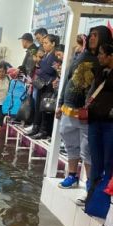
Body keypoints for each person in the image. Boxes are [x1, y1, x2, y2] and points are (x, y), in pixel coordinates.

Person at [55, 26, 111, 190]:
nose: (92, 38)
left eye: (96, 35)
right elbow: (68, 78)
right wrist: (60, 104)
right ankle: (72, 175)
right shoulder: (81, 56)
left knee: (87, 148)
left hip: (88, 113)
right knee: (69, 141)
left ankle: (90, 183)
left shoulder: (105, 61)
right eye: (91, 35)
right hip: (68, 108)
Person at [86, 42, 113, 195]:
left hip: (110, 124)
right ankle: (92, 195)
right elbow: (91, 92)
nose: (99, 57)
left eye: (102, 54)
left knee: (109, 161)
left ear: (111, 56)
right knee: (95, 160)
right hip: (94, 121)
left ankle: (105, 197)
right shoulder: (100, 71)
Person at [27, 34, 60, 139]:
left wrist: (40, 62)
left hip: (49, 86)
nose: (44, 45)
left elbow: (50, 70)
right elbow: (42, 70)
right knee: (39, 108)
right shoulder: (46, 55)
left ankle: (44, 130)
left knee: (46, 109)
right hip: (41, 84)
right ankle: (36, 127)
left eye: (46, 43)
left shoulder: (54, 55)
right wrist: (40, 65)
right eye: (43, 43)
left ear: (53, 43)